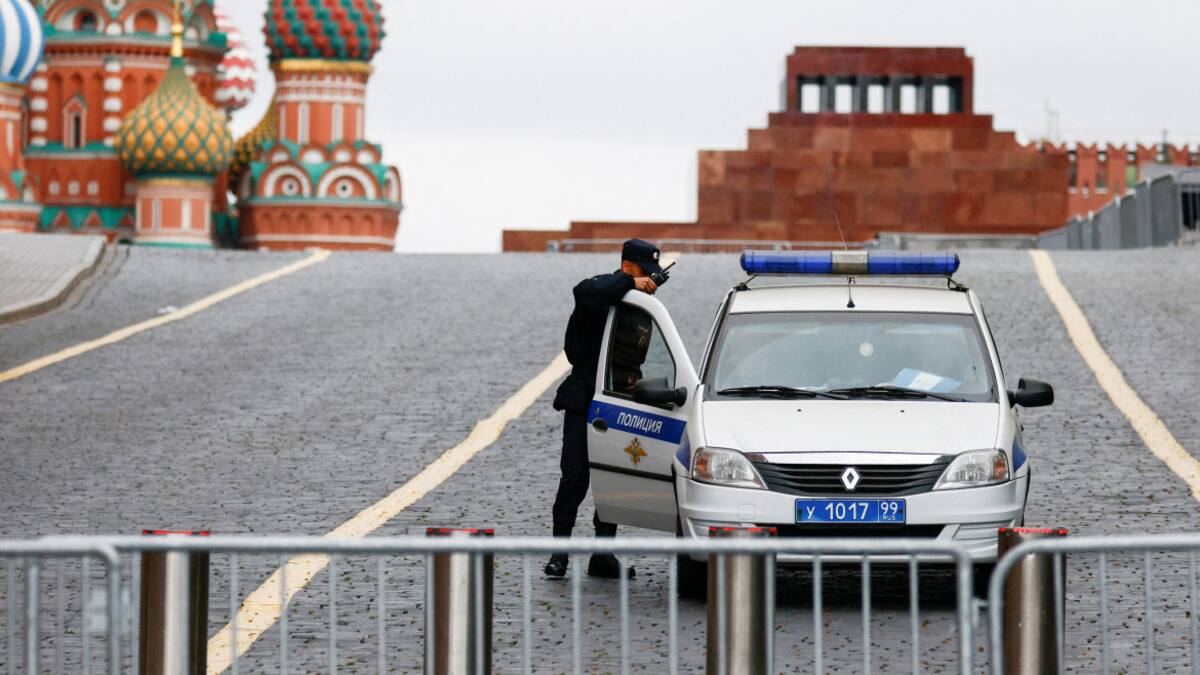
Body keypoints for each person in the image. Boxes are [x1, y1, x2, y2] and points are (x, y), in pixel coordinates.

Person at [545, 239, 665, 579]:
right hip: (585, 400)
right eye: (645, 274)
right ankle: (559, 555)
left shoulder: (640, 305)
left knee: (613, 481)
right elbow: (584, 291)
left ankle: (603, 554)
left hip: (621, 401)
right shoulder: (603, 292)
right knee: (575, 476)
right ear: (628, 267)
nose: (650, 281)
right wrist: (630, 283)